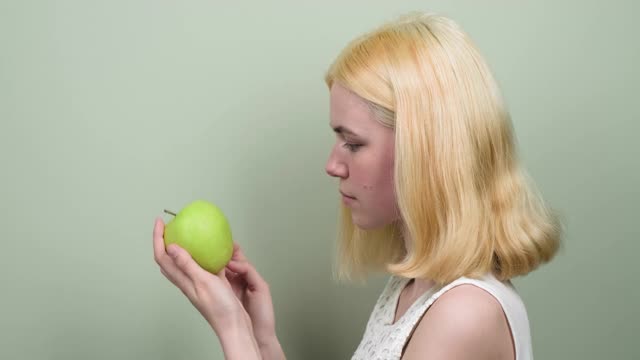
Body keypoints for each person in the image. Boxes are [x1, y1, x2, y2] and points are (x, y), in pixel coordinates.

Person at [152, 11, 561, 360]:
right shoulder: (414, 287)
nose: (332, 165)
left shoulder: (464, 314)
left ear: (426, 153)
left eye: (353, 143)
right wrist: (261, 339)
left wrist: (232, 332)